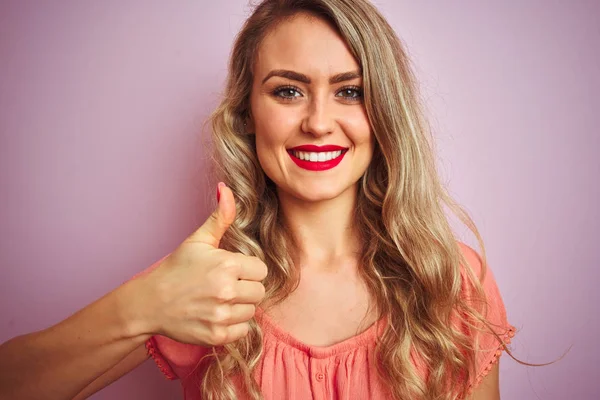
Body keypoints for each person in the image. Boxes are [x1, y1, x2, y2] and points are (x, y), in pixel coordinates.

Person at [0, 0, 519, 399]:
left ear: (384, 111)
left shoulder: (450, 278)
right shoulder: (205, 280)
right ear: (247, 113)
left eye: (350, 91)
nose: (318, 122)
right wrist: (144, 306)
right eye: (288, 91)